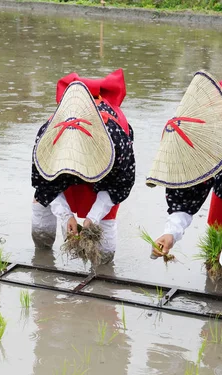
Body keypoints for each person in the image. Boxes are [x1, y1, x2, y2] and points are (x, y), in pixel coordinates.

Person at [148, 70, 222, 270]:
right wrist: (171, 232)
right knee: (218, 245)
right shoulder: (198, 141)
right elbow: (188, 194)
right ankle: (218, 285)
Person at [31, 69, 135, 265]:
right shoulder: (48, 135)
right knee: (42, 208)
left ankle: (103, 271)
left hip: (105, 177)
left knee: (104, 252)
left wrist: (93, 218)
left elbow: (119, 186)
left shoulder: (116, 140)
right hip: (61, 173)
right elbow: (43, 183)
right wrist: (66, 216)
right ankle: (42, 256)